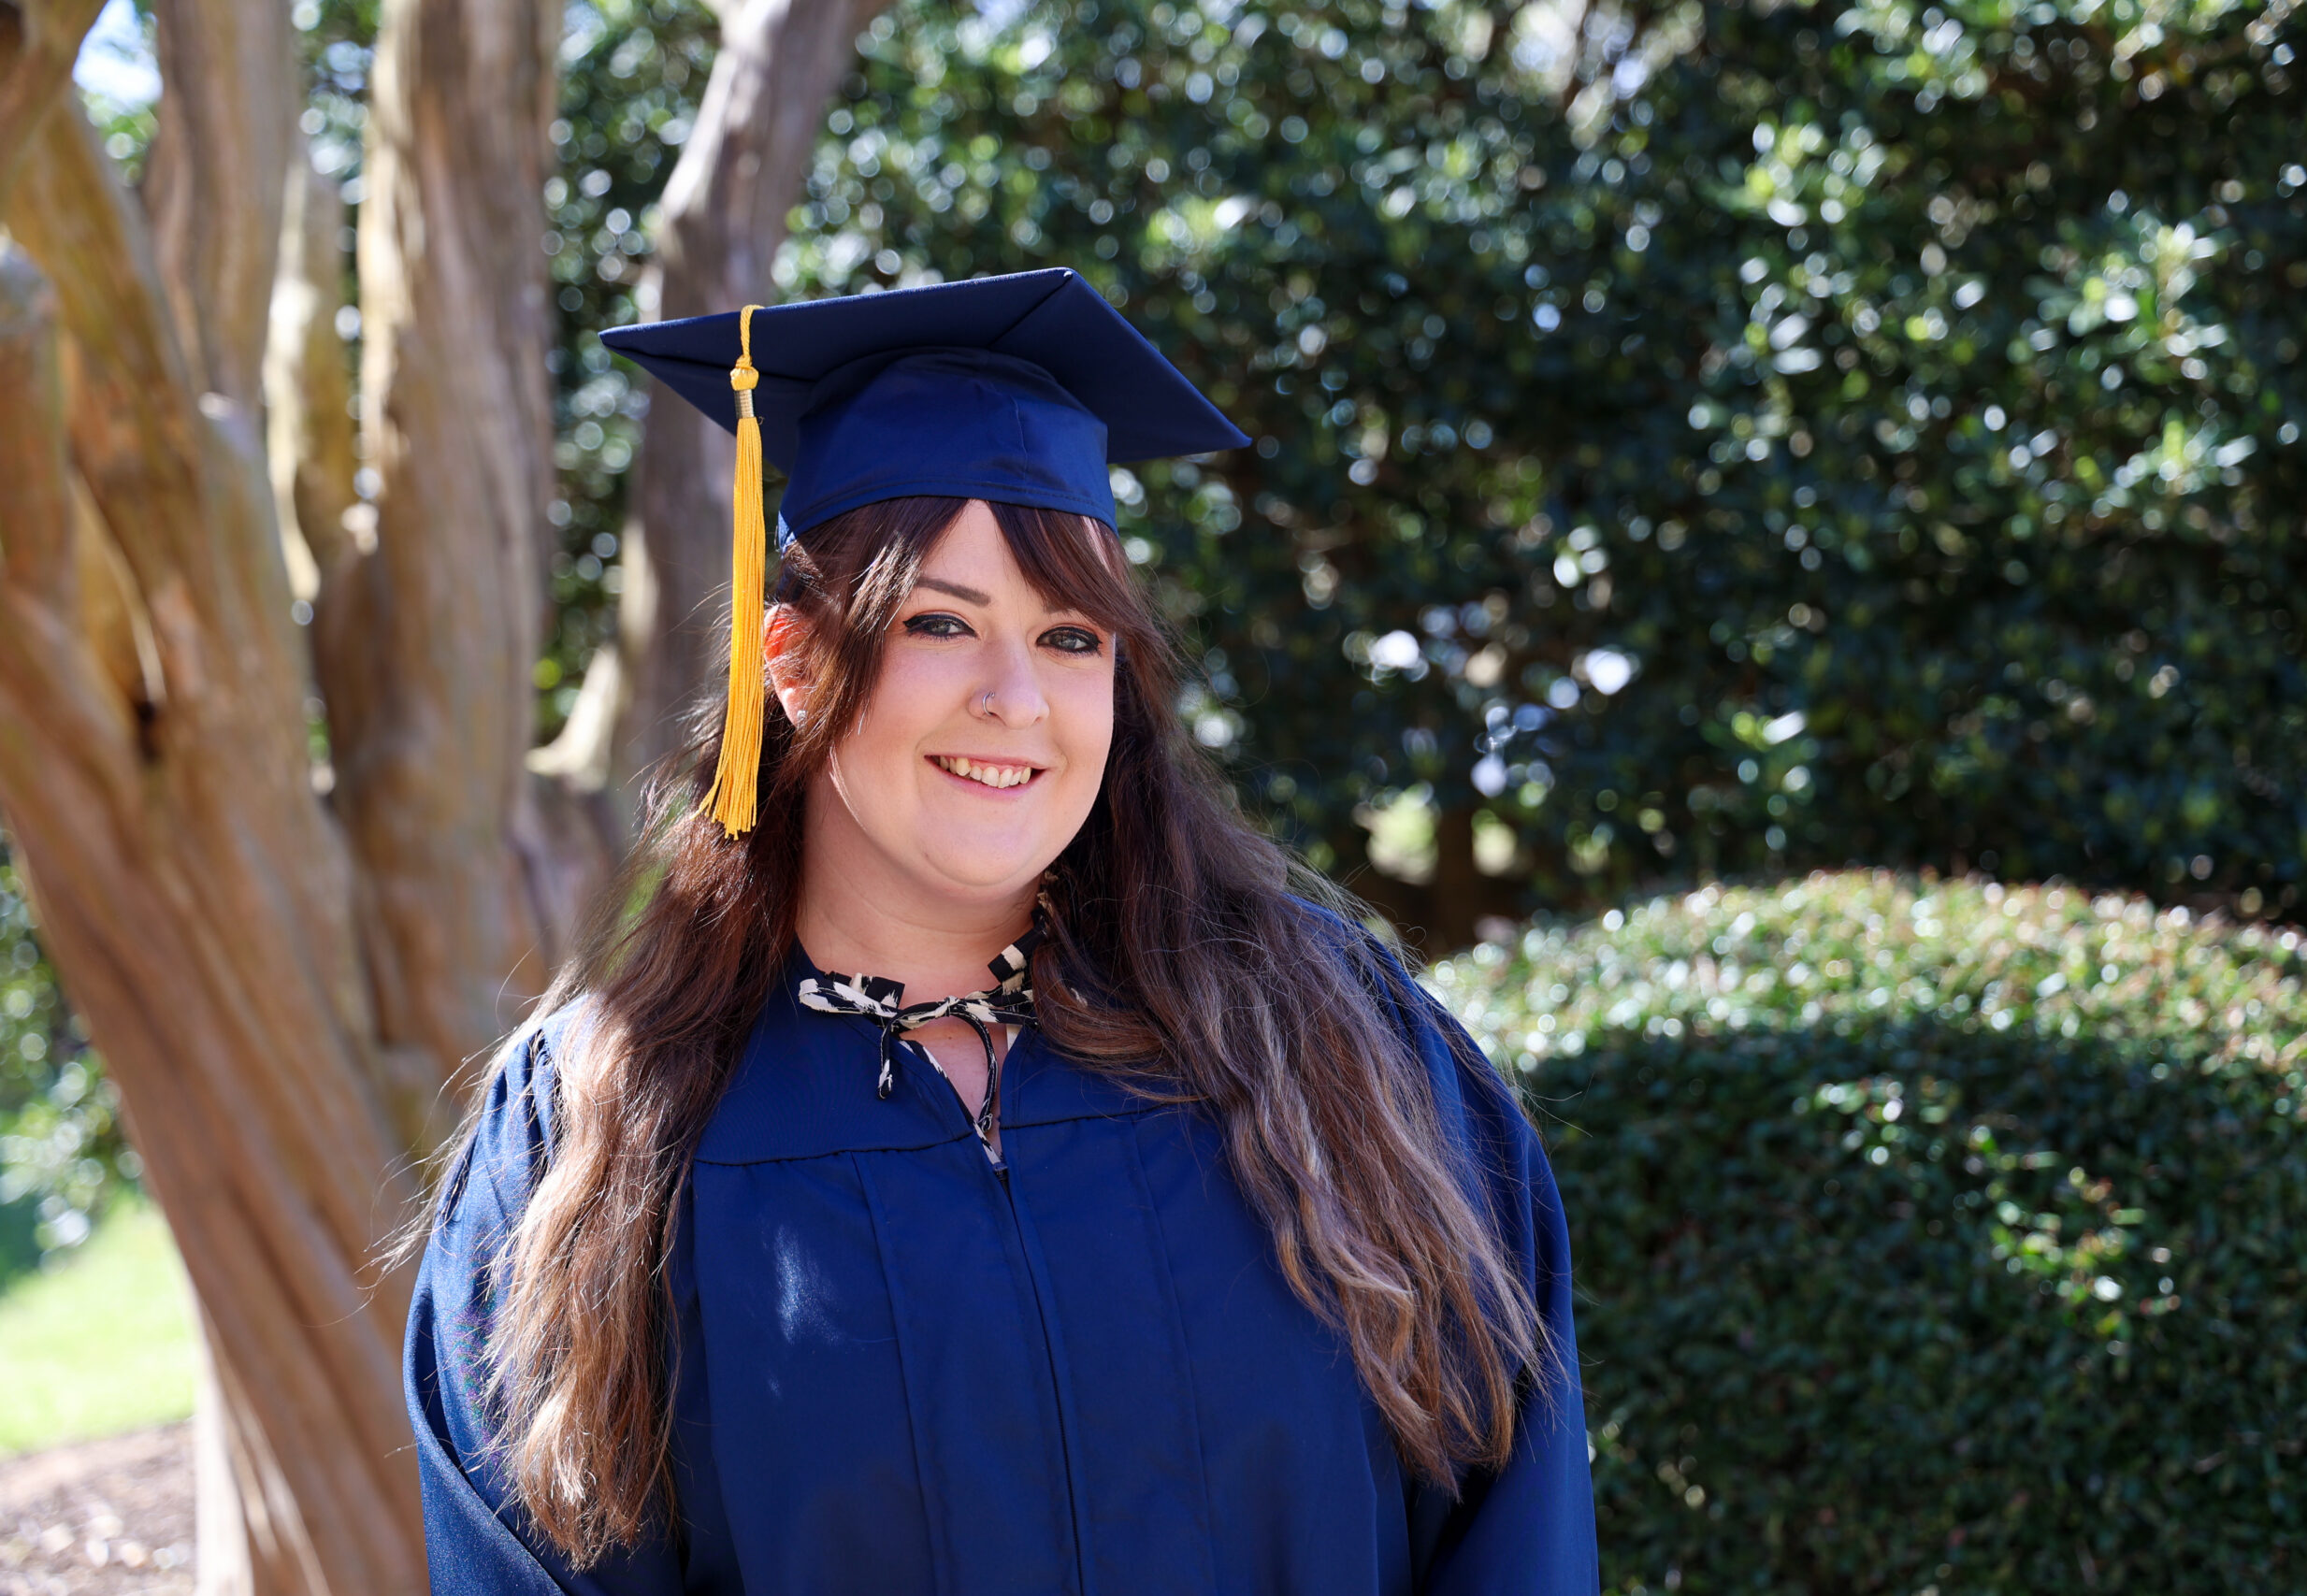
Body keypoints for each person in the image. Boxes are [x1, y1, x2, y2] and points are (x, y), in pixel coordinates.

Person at [406, 266, 1600, 1593]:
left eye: (1073, 636)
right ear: (790, 663)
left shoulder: (1339, 1052)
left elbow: (1513, 1528)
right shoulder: (601, 1128)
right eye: (941, 623)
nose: (1017, 698)